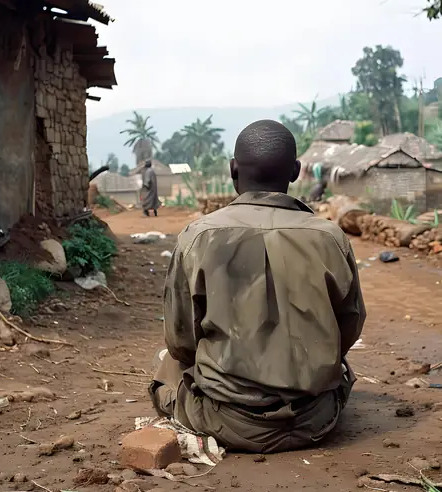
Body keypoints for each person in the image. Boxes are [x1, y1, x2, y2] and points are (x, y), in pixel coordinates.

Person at [150, 120, 366, 453]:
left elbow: (181, 341)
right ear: (294, 171)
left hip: (229, 421)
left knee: (168, 365)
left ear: (233, 169)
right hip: (317, 418)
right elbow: (349, 327)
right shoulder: (330, 237)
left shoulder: (199, 236)